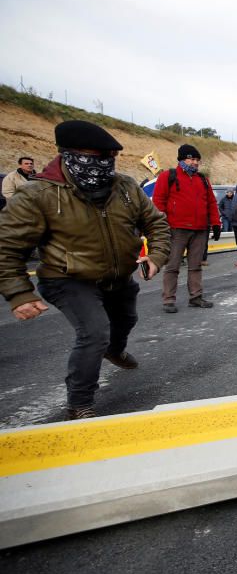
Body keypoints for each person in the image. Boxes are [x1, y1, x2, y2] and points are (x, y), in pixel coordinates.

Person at [0, 120, 170, 419]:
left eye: (109, 158)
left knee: (126, 320)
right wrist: (19, 294)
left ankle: (114, 351)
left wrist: (156, 255)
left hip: (118, 276)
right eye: (93, 156)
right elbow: (7, 246)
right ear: (68, 155)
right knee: (94, 332)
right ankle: (80, 404)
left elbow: (156, 223)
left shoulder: (126, 186)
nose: (102, 164)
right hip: (67, 278)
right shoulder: (38, 194)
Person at [152, 144, 222, 313]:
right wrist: (161, 226)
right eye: (191, 159)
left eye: (197, 160)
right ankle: (168, 299)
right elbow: (159, 202)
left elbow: (211, 203)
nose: (195, 162)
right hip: (176, 229)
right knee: (173, 266)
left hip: (200, 229)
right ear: (182, 159)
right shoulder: (168, 176)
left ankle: (195, 297)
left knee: (195, 266)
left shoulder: (203, 180)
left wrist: (216, 223)